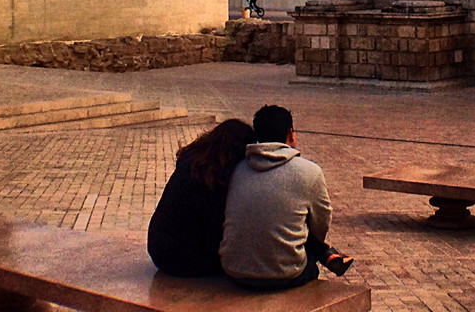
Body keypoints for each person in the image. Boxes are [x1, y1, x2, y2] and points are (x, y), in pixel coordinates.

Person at [220, 105, 353, 288]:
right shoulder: (309, 171)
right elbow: (321, 224)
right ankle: (328, 255)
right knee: (304, 243)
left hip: (235, 269)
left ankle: (328, 255)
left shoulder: (238, 168)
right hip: (285, 274)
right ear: (291, 134)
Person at [147, 119, 255, 277]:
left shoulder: (195, 163)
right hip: (179, 257)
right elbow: (212, 238)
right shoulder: (210, 180)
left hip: (160, 246)